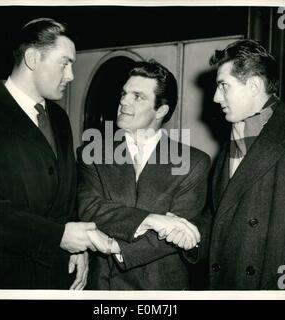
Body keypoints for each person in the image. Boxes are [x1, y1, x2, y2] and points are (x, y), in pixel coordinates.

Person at [0, 18, 98, 289]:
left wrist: (79, 248)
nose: (71, 76)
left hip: (58, 274)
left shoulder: (59, 118)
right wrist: (58, 235)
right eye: (64, 63)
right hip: (0, 278)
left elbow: (67, 196)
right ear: (32, 58)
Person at [76, 60, 211, 290]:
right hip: (104, 289)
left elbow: (179, 232)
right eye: (124, 93)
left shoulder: (193, 162)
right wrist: (152, 220)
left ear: (161, 110)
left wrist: (113, 245)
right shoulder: (92, 153)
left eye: (138, 96)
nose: (123, 102)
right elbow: (90, 208)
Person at [207, 39, 285, 289]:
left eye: (224, 86)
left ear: (254, 85)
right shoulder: (229, 145)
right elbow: (219, 220)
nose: (215, 97)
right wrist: (184, 231)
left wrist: (277, 291)